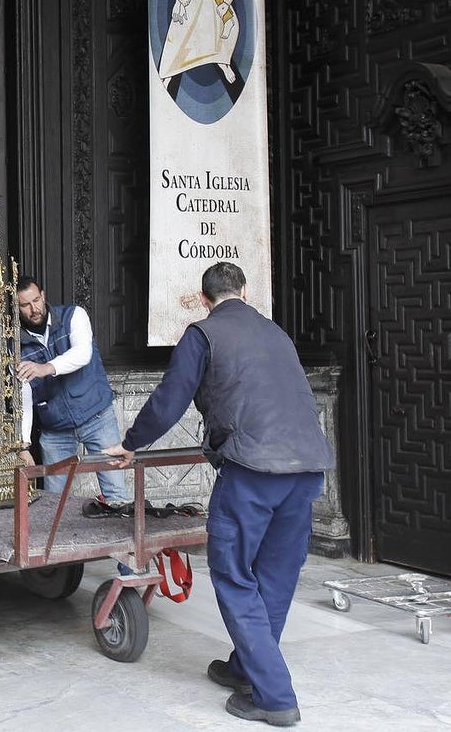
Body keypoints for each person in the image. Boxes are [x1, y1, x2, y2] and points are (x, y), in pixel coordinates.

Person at [103, 262, 333, 727]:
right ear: (244, 292)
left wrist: (130, 445)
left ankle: (274, 696)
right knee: (276, 574)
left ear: (204, 298)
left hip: (252, 469)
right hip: (307, 467)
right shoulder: (276, 332)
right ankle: (246, 667)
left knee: (232, 574)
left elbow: (169, 400)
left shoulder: (202, 334)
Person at [15, 275, 130, 514]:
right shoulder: (14, 344)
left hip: (96, 415)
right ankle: (59, 551)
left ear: (43, 295)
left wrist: (45, 368)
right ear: (16, 307)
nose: (33, 308)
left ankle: (122, 549)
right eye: (25, 305)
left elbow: (82, 354)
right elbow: (22, 392)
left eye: (36, 300)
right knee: (55, 504)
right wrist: (24, 444)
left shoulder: (73, 316)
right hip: (55, 428)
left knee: (117, 495)